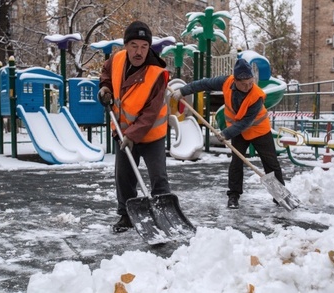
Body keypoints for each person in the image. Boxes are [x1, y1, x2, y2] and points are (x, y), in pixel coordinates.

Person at [171, 59, 285, 209]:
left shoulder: (257, 95)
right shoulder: (226, 81)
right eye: (244, 84)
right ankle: (233, 196)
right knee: (236, 163)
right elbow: (203, 84)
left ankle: (280, 197)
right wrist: (183, 91)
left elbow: (245, 122)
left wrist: (226, 133)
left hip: (258, 130)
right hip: (238, 131)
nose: (248, 86)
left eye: (251, 82)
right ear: (235, 80)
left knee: (271, 164)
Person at [98, 21, 171, 232]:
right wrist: (105, 87)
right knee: (124, 176)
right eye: (134, 46)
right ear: (126, 45)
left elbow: (151, 112)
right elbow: (106, 73)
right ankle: (126, 216)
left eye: (144, 46)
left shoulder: (156, 74)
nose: (139, 52)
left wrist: (133, 134)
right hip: (123, 131)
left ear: (149, 48)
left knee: (158, 176)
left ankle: (165, 217)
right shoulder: (117, 59)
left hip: (151, 134)